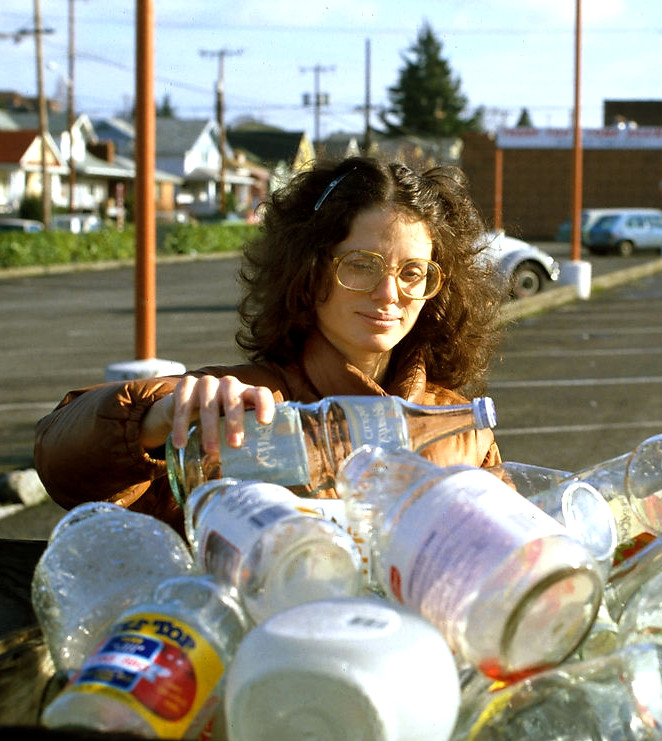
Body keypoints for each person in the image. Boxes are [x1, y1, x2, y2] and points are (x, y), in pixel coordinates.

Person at [34, 156, 508, 536]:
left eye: (412, 272)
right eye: (362, 265)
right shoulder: (240, 406)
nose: (389, 294)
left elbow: (516, 555)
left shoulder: (462, 427)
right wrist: (155, 420)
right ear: (309, 269)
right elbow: (61, 462)